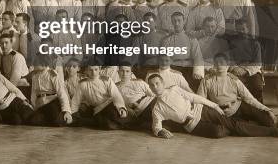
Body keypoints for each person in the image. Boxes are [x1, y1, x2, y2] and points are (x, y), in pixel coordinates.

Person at [147, 73, 277, 139]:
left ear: (163, 83)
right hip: (192, 125)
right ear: (150, 88)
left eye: (157, 83)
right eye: (152, 85)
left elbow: (195, 97)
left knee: (233, 126)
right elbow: (156, 126)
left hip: (202, 110)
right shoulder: (157, 109)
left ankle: (271, 132)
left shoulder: (174, 89)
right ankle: (242, 125)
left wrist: (214, 106)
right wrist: (160, 132)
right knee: (218, 132)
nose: (155, 87)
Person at [198, 53, 275, 128]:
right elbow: (200, 100)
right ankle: (247, 123)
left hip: (237, 106)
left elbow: (249, 98)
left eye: (222, 63)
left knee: (268, 119)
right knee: (240, 127)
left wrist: (267, 109)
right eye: (216, 63)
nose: (219, 65)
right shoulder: (207, 80)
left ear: (227, 65)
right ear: (214, 65)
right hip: (221, 112)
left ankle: (254, 122)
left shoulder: (234, 79)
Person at [70, 65, 128, 130]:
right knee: (105, 123)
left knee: (114, 117)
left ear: (99, 69)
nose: (93, 73)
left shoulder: (106, 80)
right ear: (87, 71)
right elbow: (76, 100)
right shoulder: (83, 83)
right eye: (90, 70)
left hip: (107, 106)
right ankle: (96, 121)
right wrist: (72, 113)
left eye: (96, 69)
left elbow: (116, 95)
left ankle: (94, 122)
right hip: (95, 109)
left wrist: (121, 107)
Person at [27, 54, 72, 126]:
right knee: (33, 121)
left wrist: (67, 111)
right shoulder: (35, 76)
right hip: (41, 104)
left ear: (43, 63)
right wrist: (34, 107)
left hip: (52, 102)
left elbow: (61, 93)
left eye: (36, 62)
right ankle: (49, 120)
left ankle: (61, 118)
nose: (33, 64)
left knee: (57, 121)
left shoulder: (52, 74)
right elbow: (33, 93)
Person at [116, 64, 156, 129]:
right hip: (134, 111)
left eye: (127, 71)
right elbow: (116, 102)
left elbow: (153, 95)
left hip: (147, 105)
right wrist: (126, 107)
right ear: (118, 72)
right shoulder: (115, 87)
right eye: (122, 71)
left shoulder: (139, 82)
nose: (124, 74)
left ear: (131, 73)